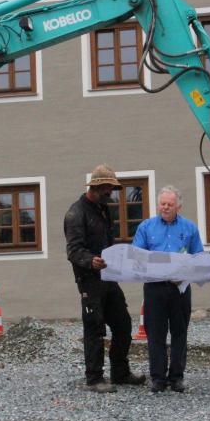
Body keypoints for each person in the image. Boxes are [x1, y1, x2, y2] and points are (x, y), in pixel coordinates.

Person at [64, 164, 147, 393]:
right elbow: (73, 251)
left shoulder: (103, 208)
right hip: (89, 280)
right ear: (96, 186)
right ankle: (94, 378)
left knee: (123, 324)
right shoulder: (76, 213)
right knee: (94, 328)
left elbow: (107, 241)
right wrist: (91, 260)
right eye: (108, 187)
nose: (111, 191)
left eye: (112, 187)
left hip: (108, 277)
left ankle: (120, 372)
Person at [132, 185, 203, 393]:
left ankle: (177, 377)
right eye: (162, 204)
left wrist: (187, 271)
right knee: (155, 334)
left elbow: (198, 256)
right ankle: (158, 378)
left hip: (180, 288)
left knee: (180, 333)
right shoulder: (146, 227)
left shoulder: (190, 228)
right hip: (155, 288)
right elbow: (137, 255)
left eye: (170, 204)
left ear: (178, 206)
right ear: (158, 204)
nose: (165, 207)